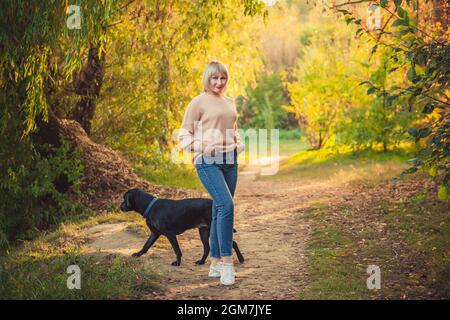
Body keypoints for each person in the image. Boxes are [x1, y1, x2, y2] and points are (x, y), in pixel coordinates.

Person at [177, 60, 245, 285]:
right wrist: (201, 147)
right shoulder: (198, 102)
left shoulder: (229, 102)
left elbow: (233, 128)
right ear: (207, 79)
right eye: (215, 78)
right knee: (227, 205)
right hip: (207, 161)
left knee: (218, 210)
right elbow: (183, 134)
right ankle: (227, 263)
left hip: (230, 161)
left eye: (223, 78)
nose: (219, 82)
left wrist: (238, 143)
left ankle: (214, 262)